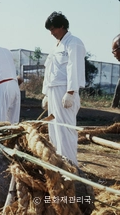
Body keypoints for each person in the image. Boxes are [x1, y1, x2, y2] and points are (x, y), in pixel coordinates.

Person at [41, 11, 86, 166]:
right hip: (53, 90)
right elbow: (49, 70)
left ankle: (70, 164)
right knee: (54, 127)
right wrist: (46, 93)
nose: (52, 33)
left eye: (54, 29)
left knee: (66, 129)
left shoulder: (74, 42)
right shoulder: (56, 46)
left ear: (62, 26)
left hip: (65, 91)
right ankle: (58, 162)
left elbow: (74, 67)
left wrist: (71, 92)